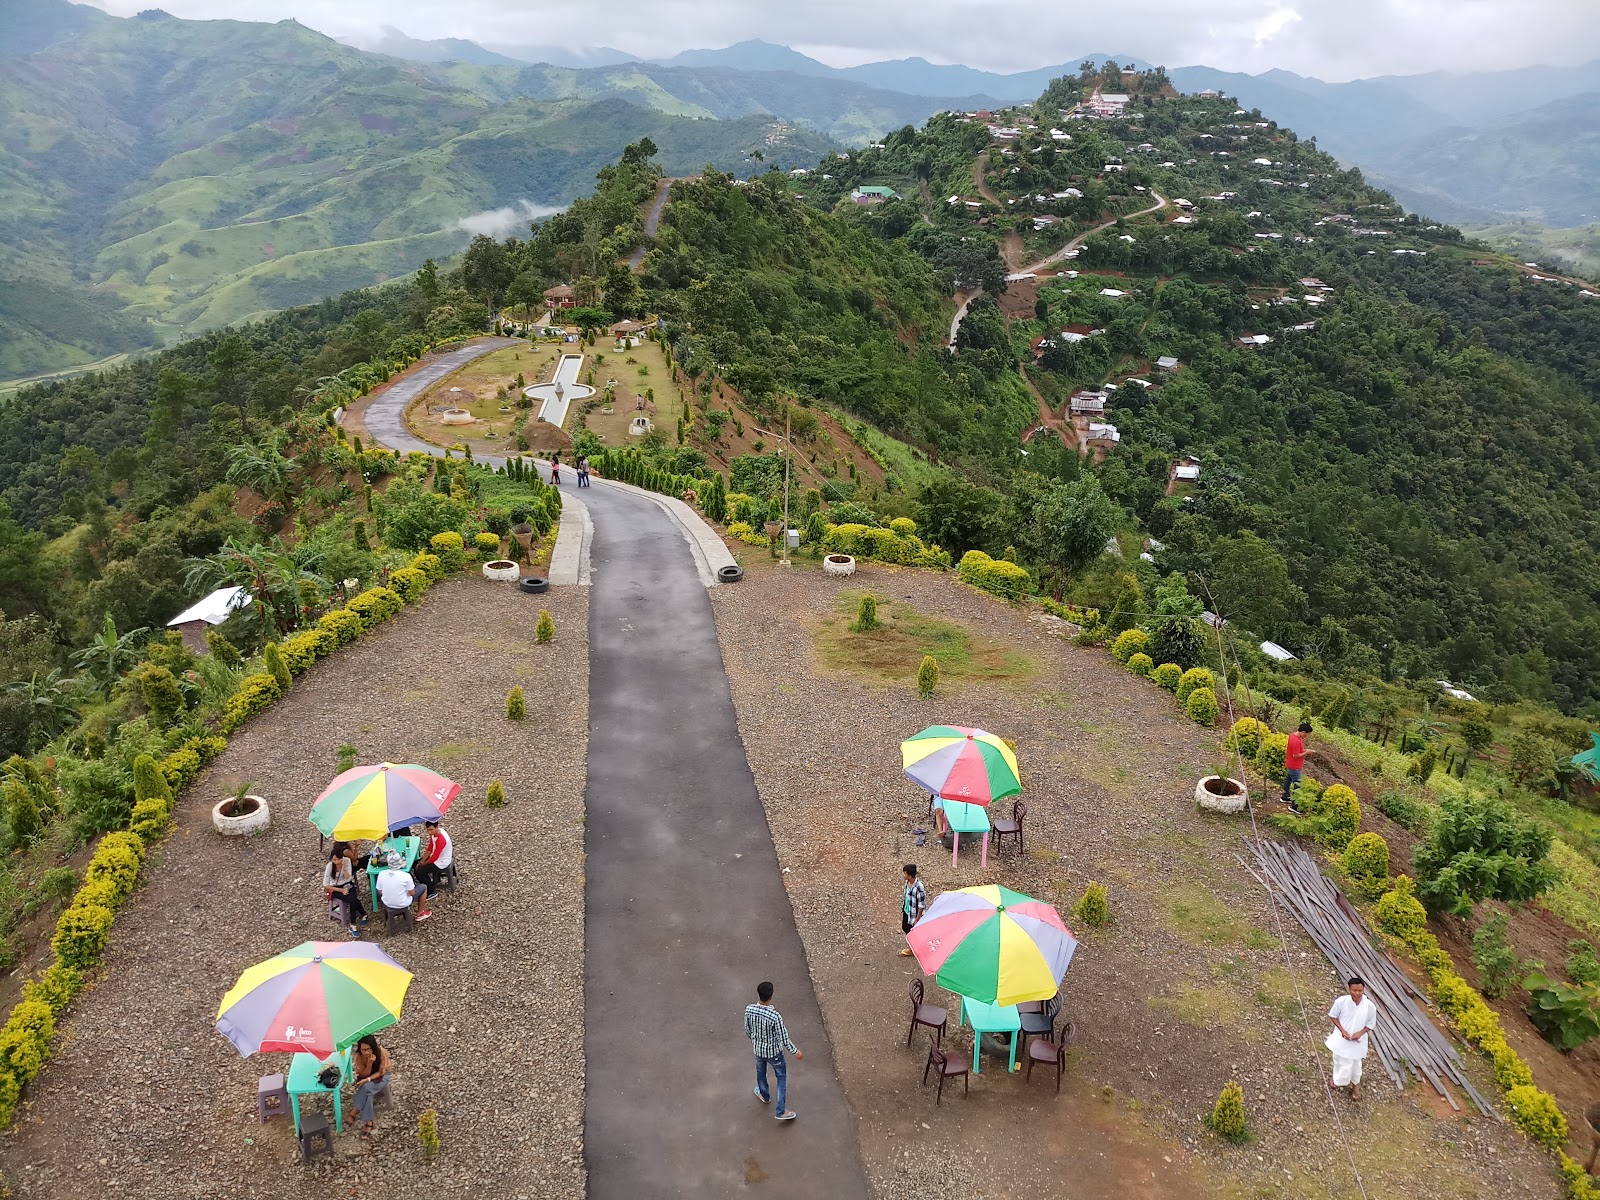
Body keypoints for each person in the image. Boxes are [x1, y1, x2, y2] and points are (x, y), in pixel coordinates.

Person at [744, 981, 801, 1121]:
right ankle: (780, 1111)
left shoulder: (749, 1009)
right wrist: (795, 1052)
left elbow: (747, 1029)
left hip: (758, 1050)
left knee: (760, 1072)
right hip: (774, 1053)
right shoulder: (775, 1016)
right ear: (771, 996)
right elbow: (784, 1038)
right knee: (781, 1077)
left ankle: (764, 1095)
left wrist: (754, 1040)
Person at [1326, 976, 1377, 1100]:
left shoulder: (1370, 1006)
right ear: (1349, 989)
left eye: (1360, 990)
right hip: (1341, 1039)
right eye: (1354, 990)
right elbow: (1333, 1016)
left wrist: (1360, 1033)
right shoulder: (1341, 1001)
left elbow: (1370, 1024)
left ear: (1364, 989)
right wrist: (1342, 1031)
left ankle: (1355, 1087)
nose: (1357, 993)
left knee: (1355, 1065)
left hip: (1357, 1041)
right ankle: (1337, 1079)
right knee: (1339, 1060)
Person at [350, 1033, 392, 1135]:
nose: (366, 1052)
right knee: (368, 1091)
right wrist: (369, 1064)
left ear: (373, 1047)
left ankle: (355, 1110)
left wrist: (367, 1079)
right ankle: (369, 1121)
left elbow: (381, 1072)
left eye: (368, 1049)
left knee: (365, 1087)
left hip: (383, 1076)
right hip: (368, 1077)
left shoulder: (381, 1052)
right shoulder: (359, 1057)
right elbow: (363, 1074)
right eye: (363, 1050)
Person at [376, 851, 432, 922]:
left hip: (387, 902)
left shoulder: (381, 874)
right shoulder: (405, 876)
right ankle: (420, 913)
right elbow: (412, 893)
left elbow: (380, 891)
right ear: (400, 862)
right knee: (423, 887)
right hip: (402, 903)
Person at [323, 846, 363, 939]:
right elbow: (325, 885)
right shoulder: (329, 866)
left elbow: (348, 878)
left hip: (347, 884)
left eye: (338, 859)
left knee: (352, 898)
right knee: (353, 900)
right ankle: (359, 918)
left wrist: (344, 868)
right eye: (334, 860)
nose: (336, 862)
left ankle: (354, 922)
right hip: (336, 888)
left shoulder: (346, 861)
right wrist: (341, 890)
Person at [413, 820, 453, 900]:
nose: (429, 832)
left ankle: (431, 891)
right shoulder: (435, 834)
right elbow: (430, 848)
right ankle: (425, 882)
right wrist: (422, 861)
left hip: (441, 862)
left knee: (419, 871)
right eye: (427, 830)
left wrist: (423, 864)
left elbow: (434, 858)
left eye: (431, 830)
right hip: (436, 857)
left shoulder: (441, 840)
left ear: (436, 827)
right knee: (415, 864)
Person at [898, 864, 926, 957]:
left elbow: (921, 905)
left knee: (913, 931)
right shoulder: (907, 883)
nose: (903, 875)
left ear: (909, 876)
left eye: (905, 873)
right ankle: (913, 947)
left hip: (914, 915)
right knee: (905, 928)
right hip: (907, 911)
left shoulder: (919, 887)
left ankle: (912, 949)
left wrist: (917, 919)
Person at [1283, 720, 1312, 806]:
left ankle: (1285, 796)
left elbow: (1296, 751)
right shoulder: (1296, 741)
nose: (1307, 736)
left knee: (1288, 781)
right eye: (1307, 734)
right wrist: (1307, 752)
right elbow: (1296, 755)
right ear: (1303, 732)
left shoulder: (1293, 735)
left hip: (1290, 764)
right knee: (1298, 785)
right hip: (1295, 767)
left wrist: (1304, 750)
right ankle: (1295, 805)